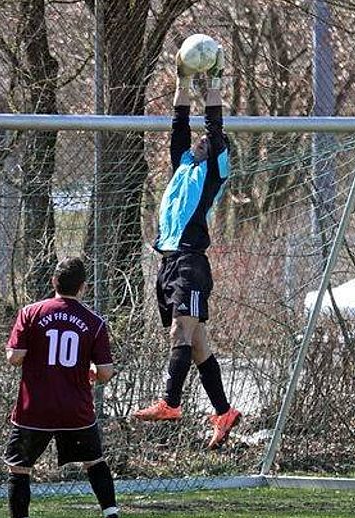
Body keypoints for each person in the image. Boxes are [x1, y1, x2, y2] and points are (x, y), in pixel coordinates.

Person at [132, 42, 242, 450]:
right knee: (197, 345)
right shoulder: (184, 164)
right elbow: (179, 122)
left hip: (191, 264)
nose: (200, 141)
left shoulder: (213, 170)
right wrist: (182, 80)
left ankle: (170, 402)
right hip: (169, 263)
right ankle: (224, 412)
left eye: (209, 142)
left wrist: (214, 81)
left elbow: (214, 124)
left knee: (181, 329)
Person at [3, 257, 128, 518]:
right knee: (94, 462)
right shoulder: (94, 322)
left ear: (53, 282)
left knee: (19, 468)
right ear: (83, 287)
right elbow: (106, 372)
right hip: (75, 409)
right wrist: (92, 370)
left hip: (35, 408)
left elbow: (14, 357)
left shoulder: (30, 313)